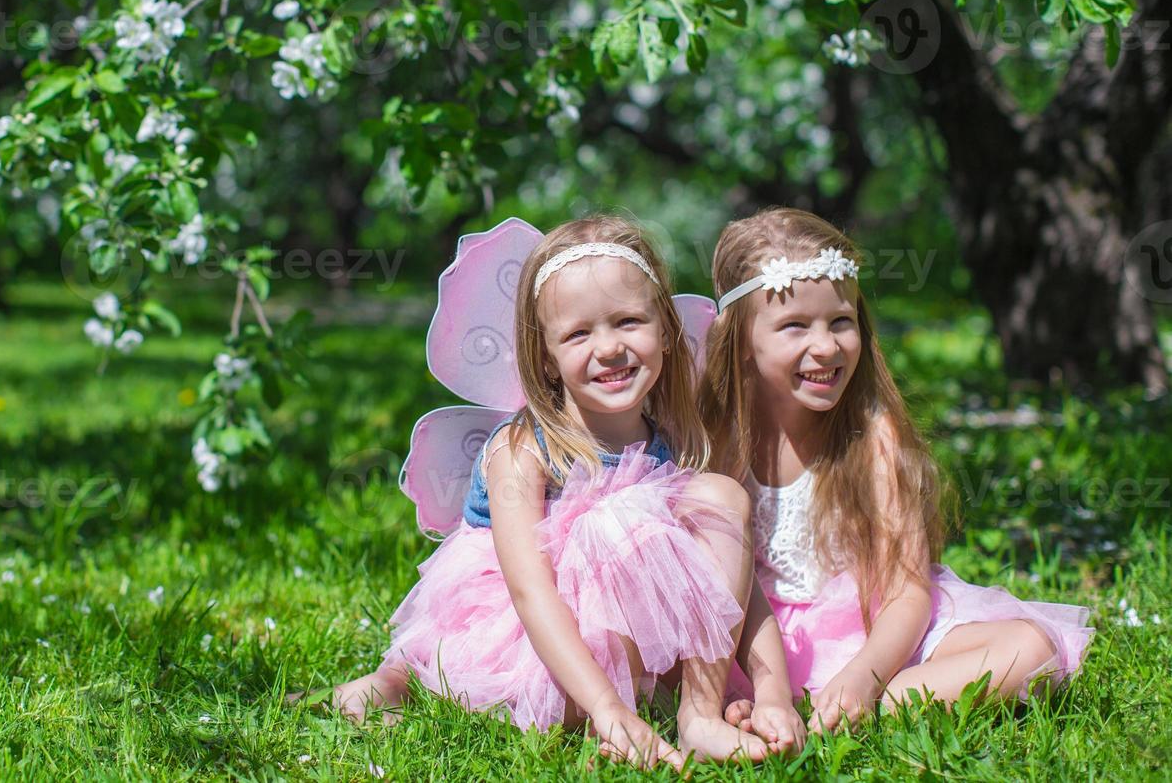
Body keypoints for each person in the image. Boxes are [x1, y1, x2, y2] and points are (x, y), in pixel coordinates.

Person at [330, 215, 774, 766]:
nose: (609, 348)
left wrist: (768, 685)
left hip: (617, 629)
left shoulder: (669, 437)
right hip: (531, 631)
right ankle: (391, 683)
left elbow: (724, 576)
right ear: (545, 354)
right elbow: (531, 594)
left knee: (722, 497)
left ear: (664, 329)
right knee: (558, 703)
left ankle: (699, 716)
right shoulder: (522, 450)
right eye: (579, 333)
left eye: (629, 321)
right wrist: (611, 711)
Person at [700, 207, 1093, 733]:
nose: (826, 346)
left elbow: (909, 590)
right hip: (757, 644)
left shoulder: (871, 436)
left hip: (875, 631)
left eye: (841, 322)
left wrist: (866, 673)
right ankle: (785, 702)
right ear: (739, 340)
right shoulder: (717, 440)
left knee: (1033, 649)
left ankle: (876, 699)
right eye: (794, 326)